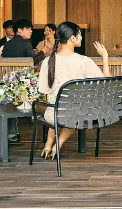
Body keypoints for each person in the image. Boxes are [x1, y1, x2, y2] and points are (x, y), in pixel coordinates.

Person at [37, 22, 110, 159]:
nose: (81, 38)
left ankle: (48, 144)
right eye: (80, 35)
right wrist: (104, 57)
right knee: (76, 109)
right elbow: (105, 84)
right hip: (74, 115)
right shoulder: (83, 61)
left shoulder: (48, 61)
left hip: (51, 114)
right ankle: (58, 145)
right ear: (72, 38)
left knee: (59, 106)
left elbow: (43, 89)